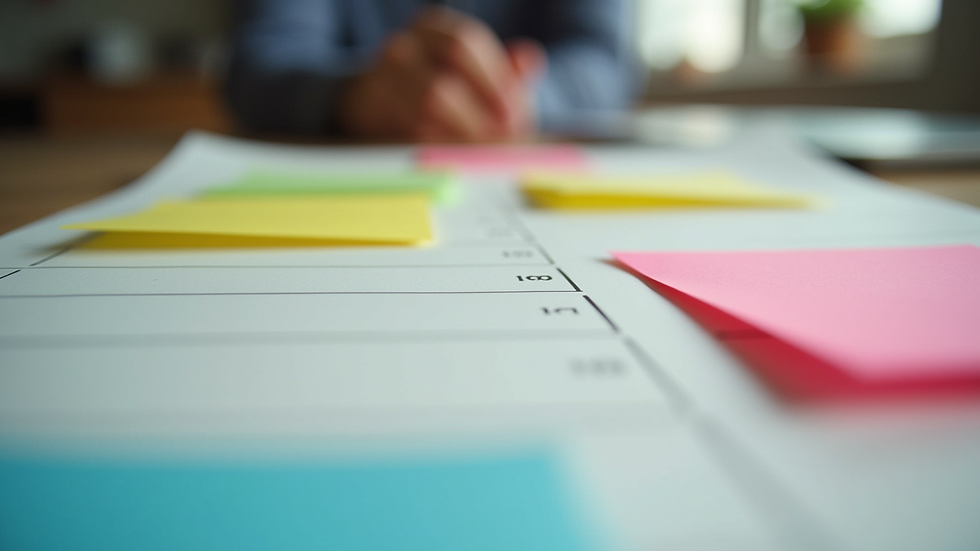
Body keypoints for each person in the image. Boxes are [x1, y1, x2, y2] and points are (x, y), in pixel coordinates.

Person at [226, 0, 635, 141]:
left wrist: (518, 97)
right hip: (338, 166)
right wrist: (351, 94)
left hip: (526, 155)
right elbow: (260, 59)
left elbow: (604, 59)